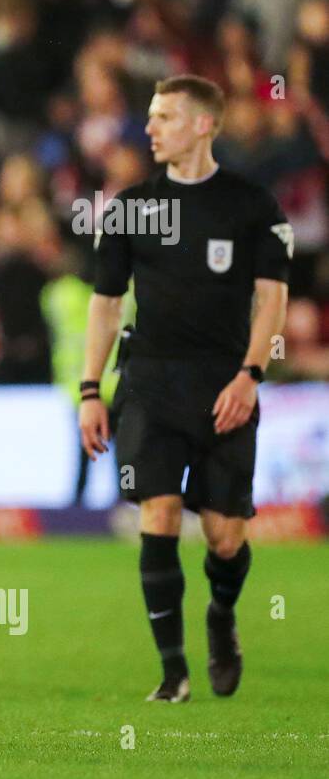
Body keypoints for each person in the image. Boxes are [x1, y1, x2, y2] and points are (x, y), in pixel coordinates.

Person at [79, 75, 291, 703]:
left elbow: (273, 300)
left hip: (225, 385)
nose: (150, 128)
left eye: (165, 117)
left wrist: (251, 376)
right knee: (159, 512)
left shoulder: (251, 205)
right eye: (151, 115)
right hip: (148, 383)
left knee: (226, 536)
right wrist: (92, 388)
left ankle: (221, 618)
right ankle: (173, 674)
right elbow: (105, 305)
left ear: (204, 125)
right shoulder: (128, 208)